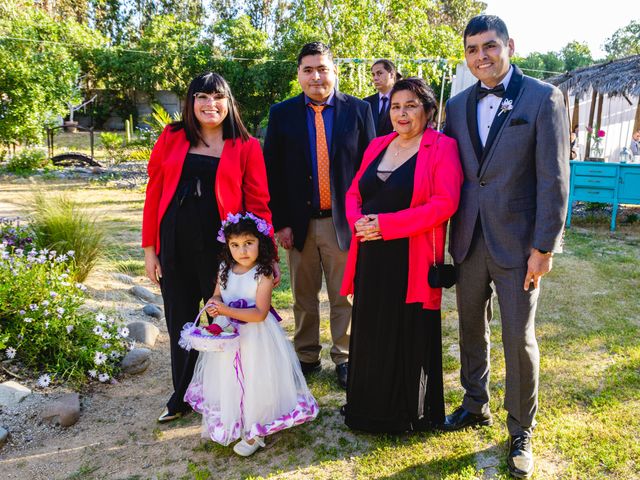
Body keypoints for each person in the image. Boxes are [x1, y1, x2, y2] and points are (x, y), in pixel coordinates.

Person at [442, 15, 569, 479]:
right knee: (471, 328)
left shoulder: (542, 98)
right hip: (468, 240)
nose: (482, 57)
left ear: (509, 45)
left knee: (519, 338)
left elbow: (553, 178)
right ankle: (475, 403)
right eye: (473, 49)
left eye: (490, 46)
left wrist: (544, 247)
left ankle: (521, 430)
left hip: (520, 247)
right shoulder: (455, 106)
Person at [141, 72, 275, 423]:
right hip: (174, 244)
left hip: (221, 251)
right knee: (180, 320)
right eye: (201, 96)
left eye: (217, 97)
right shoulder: (171, 136)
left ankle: (225, 395)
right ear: (191, 103)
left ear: (228, 103)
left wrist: (267, 255)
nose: (209, 104)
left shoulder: (245, 145)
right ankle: (182, 395)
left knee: (224, 320)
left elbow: (259, 204)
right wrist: (150, 249)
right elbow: (154, 193)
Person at [340, 77, 463, 433]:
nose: (402, 113)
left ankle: (404, 414)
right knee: (370, 329)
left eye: (410, 105)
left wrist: (386, 226)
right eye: (396, 106)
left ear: (427, 109)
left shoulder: (442, 147)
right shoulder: (378, 144)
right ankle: (366, 408)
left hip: (411, 257)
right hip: (371, 256)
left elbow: (445, 204)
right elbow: (352, 193)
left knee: (404, 331)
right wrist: (359, 223)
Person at [263, 42, 376, 388]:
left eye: (322, 68)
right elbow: (273, 173)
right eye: (308, 69)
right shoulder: (281, 114)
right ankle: (306, 355)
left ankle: (344, 356)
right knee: (303, 295)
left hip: (343, 222)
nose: (316, 76)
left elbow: (369, 169)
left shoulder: (358, 110)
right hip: (298, 226)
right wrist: (280, 223)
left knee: (345, 294)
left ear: (334, 71)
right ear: (298, 74)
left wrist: (365, 218)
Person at [183, 213, 318, 456]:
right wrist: (215, 306)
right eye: (234, 245)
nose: (241, 251)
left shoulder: (262, 273)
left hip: (256, 337)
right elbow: (217, 295)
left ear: (260, 243)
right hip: (229, 335)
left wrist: (224, 309)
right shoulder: (225, 268)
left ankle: (257, 430)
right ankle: (236, 417)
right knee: (231, 378)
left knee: (256, 378)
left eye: (248, 243)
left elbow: (259, 313)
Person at [363, 59, 401, 136]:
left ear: (392, 75)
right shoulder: (366, 102)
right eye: (373, 75)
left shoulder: (402, 100)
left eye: (379, 73)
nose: (375, 78)